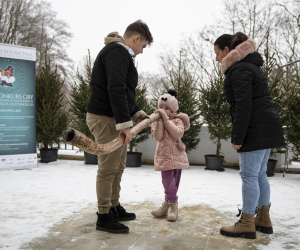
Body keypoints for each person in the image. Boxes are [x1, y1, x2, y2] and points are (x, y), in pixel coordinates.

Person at [213, 32, 286, 239]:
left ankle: (246, 222)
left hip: (256, 128)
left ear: (227, 50)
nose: (216, 58)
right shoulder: (250, 65)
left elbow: (244, 104)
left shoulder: (240, 68)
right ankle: (263, 219)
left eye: (217, 53)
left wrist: (237, 137)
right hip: (266, 126)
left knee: (249, 176)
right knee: (260, 173)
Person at [86, 20, 153, 234]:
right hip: (106, 118)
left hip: (113, 118)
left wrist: (138, 113)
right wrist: (125, 124)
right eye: (143, 46)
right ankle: (104, 216)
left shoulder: (120, 54)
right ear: (136, 38)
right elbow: (115, 88)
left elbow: (124, 91)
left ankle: (113, 206)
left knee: (119, 165)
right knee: (108, 169)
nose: (141, 52)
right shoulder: (117, 52)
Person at [150, 89, 190, 221]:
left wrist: (166, 120)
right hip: (164, 157)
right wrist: (160, 121)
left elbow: (178, 134)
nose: (163, 110)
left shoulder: (178, 120)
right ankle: (172, 205)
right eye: (161, 107)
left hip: (177, 156)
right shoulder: (157, 121)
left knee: (174, 183)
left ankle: (169, 205)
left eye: (167, 108)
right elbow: (157, 136)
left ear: (173, 110)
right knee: (167, 183)